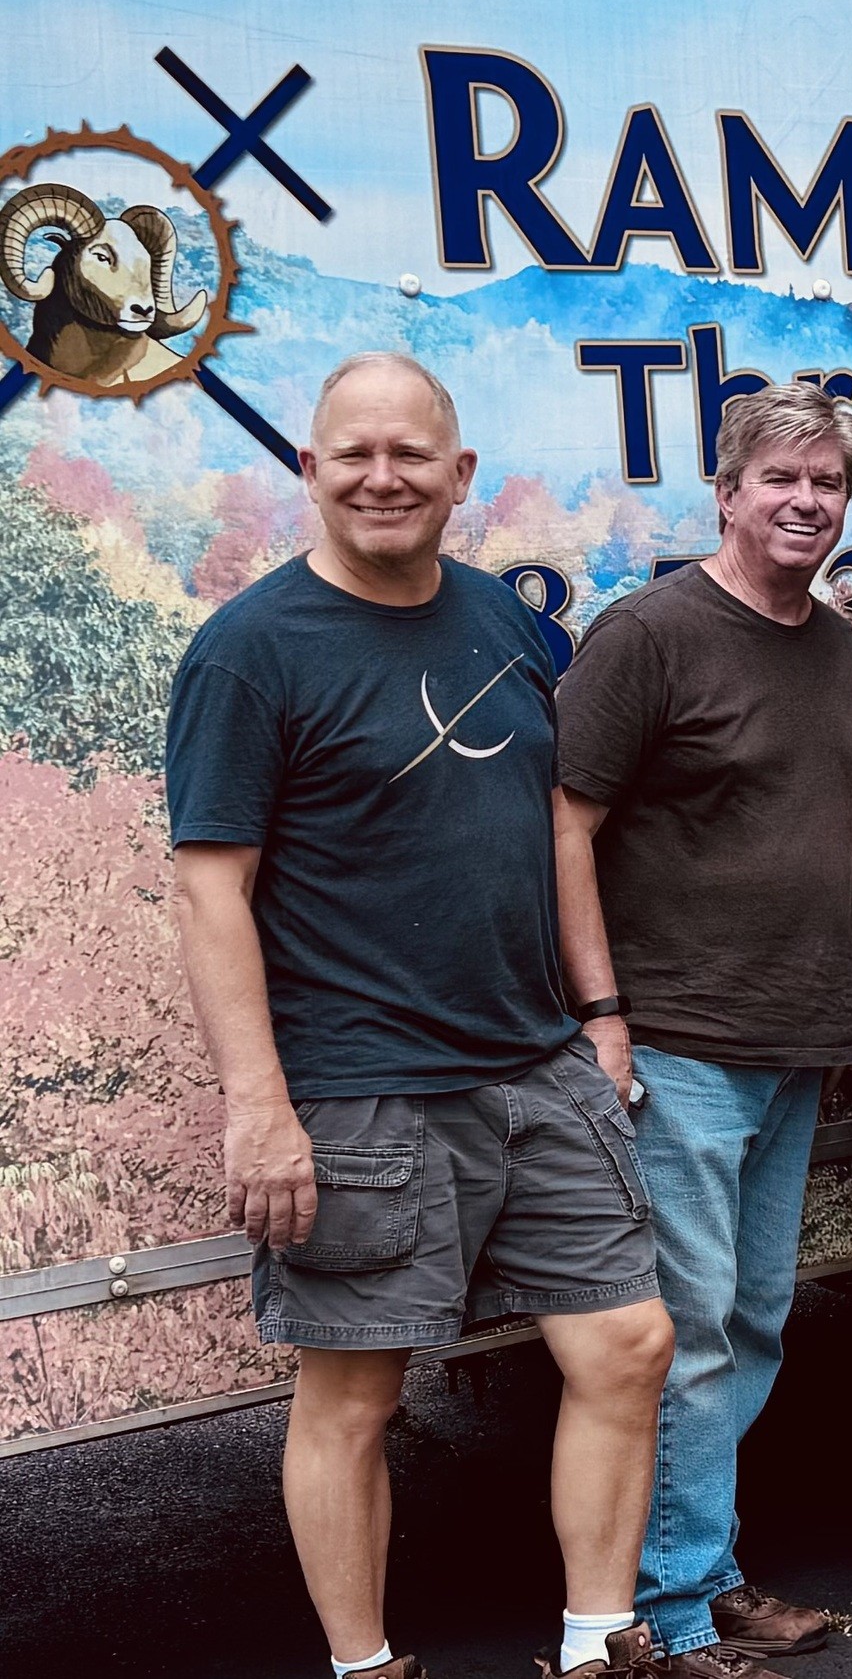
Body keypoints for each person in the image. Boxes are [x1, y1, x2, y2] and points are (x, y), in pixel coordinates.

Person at [166, 353, 676, 1679]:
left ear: (458, 476)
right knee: (354, 1393)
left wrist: (599, 1010)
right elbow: (213, 888)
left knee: (627, 1339)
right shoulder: (248, 653)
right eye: (354, 453)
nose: (382, 476)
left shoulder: (500, 623)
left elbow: (554, 832)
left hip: (535, 1059)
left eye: (411, 454)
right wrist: (258, 1104)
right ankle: (366, 1662)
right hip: (360, 1088)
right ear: (310, 470)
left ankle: (595, 1640)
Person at [552, 386, 852, 1676]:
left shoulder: (836, 643)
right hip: (677, 1041)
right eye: (779, 479)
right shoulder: (649, 635)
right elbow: (567, 824)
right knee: (684, 1340)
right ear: (726, 493)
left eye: (828, 483)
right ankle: (667, 1618)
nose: (805, 501)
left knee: (748, 1324)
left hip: (794, 1041)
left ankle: (705, 1572)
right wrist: (601, 1015)